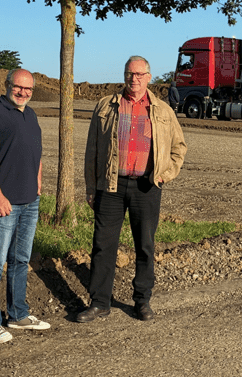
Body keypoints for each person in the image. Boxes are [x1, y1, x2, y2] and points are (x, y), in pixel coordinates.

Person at [79, 56, 187, 322]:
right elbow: (92, 150)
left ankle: (142, 301)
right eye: (130, 74)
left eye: (140, 74)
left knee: (145, 245)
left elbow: (179, 148)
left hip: (146, 186)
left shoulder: (163, 111)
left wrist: (165, 174)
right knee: (103, 245)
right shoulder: (106, 106)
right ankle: (100, 302)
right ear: (124, 75)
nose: (134, 79)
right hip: (111, 185)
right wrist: (91, 187)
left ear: (149, 77)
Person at [0, 68, 50, 344]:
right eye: (18, 87)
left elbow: (36, 152)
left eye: (28, 89)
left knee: (20, 261)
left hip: (29, 203)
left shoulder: (31, 115)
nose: (23, 93)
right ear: (7, 85)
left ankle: (18, 314)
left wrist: (38, 182)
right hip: (2, 205)